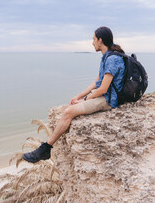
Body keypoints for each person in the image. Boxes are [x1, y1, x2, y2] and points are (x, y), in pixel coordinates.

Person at [22, 26, 126, 163]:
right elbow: (96, 83)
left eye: (94, 39)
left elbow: (103, 89)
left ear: (100, 40)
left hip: (109, 100)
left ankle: (45, 149)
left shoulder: (112, 59)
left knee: (68, 112)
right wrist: (78, 96)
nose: (92, 42)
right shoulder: (107, 57)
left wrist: (84, 100)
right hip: (106, 95)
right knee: (72, 107)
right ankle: (45, 148)